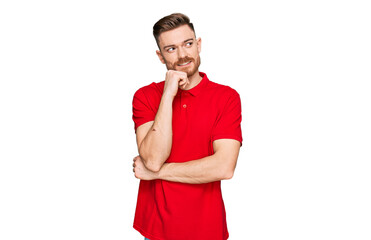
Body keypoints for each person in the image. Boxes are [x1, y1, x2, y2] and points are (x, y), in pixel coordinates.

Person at [132, 13, 243, 240]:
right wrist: (168, 94)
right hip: (156, 231)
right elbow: (152, 159)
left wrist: (156, 174)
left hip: (206, 229)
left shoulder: (226, 98)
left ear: (198, 44)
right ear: (160, 56)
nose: (183, 55)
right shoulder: (145, 96)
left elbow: (223, 167)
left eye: (188, 44)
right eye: (171, 49)